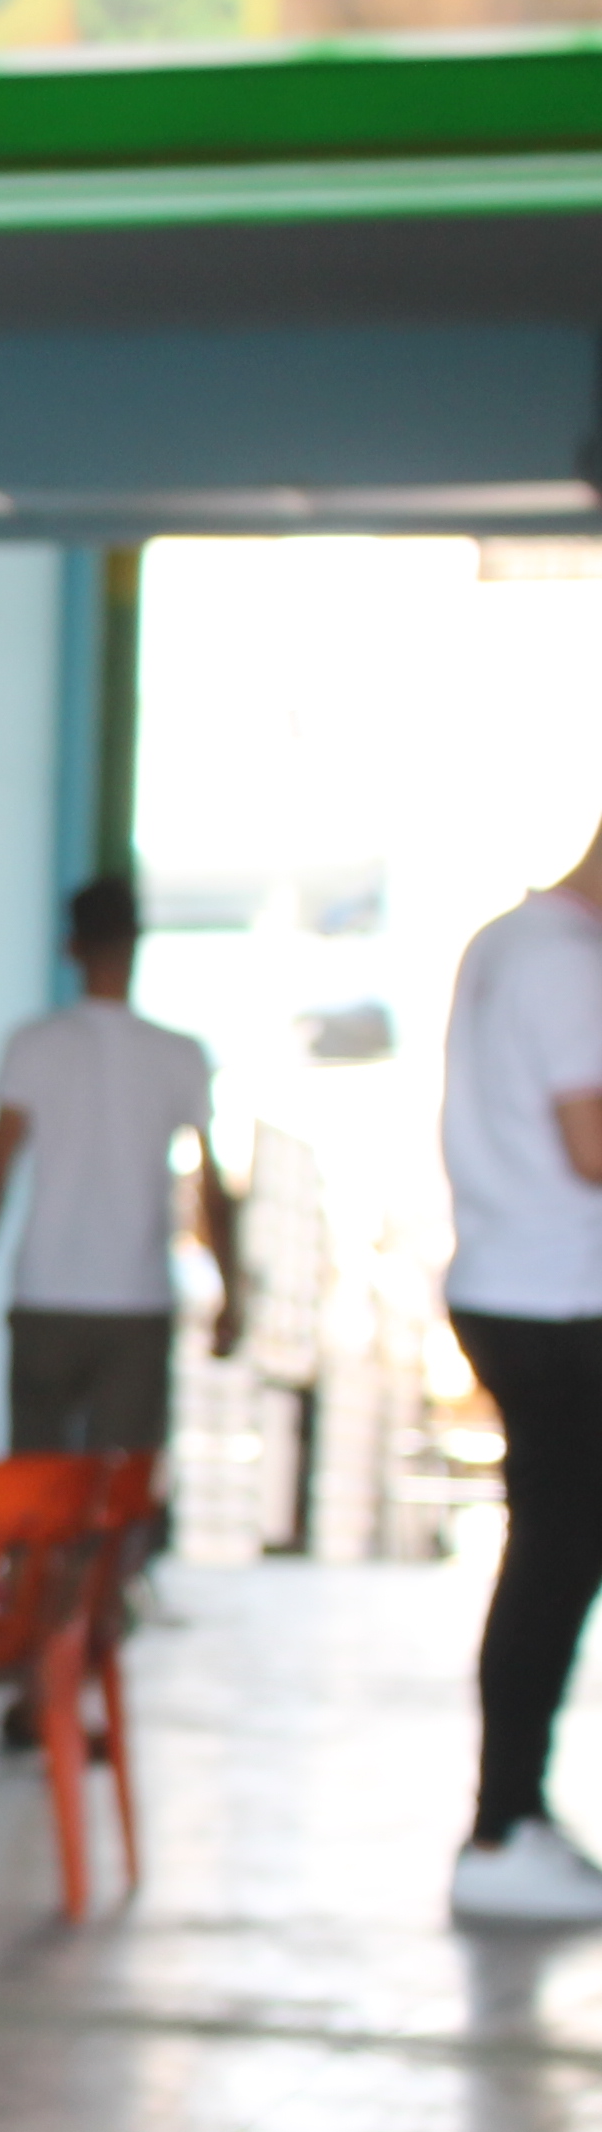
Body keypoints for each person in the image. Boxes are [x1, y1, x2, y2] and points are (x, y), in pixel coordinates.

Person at [0, 874, 242, 1748]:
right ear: (138, 942)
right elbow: (212, 1194)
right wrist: (233, 1298)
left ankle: (41, 1692)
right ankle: (83, 1696)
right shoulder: (180, 1055)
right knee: (114, 1517)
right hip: (135, 1313)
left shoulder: (33, 1047)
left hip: (43, 1304)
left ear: (70, 948)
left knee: (38, 1507)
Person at [438, 821, 602, 1929]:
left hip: (514, 1283)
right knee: (554, 1558)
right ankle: (501, 1828)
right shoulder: (566, 963)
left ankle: (513, 1821)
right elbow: (592, 1146)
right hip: (557, 1304)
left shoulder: (507, 943)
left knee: (552, 1551)